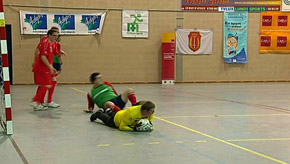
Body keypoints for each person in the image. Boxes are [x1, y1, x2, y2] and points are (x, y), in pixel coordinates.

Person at [30, 29, 60, 111]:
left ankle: (43, 102)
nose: (56, 37)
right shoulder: (45, 42)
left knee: (52, 82)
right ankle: (35, 101)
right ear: (49, 35)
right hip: (42, 67)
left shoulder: (53, 43)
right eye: (54, 35)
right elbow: (42, 56)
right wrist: (50, 66)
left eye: (57, 36)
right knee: (46, 84)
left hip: (47, 66)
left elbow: (53, 54)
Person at [90, 101, 155, 131]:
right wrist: (133, 129)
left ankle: (108, 111)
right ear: (145, 111)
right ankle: (99, 113)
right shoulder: (132, 114)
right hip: (116, 120)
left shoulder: (149, 112)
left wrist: (149, 124)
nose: (153, 113)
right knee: (107, 121)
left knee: (115, 115)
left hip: (123, 114)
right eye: (151, 111)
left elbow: (151, 118)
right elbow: (122, 126)